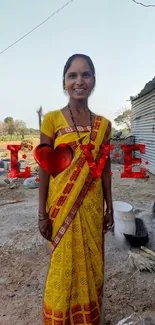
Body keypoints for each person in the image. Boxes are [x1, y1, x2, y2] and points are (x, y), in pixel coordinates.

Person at [38, 54, 113, 325]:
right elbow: (45, 168)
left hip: (92, 208)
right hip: (61, 208)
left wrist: (110, 208)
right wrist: (42, 214)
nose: (79, 81)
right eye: (73, 75)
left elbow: (104, 170)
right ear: (64, 83)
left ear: (93, 81)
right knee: (62, 266)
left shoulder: (104, 126)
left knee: (90, 267)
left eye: (86, 75)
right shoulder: (52, 120)